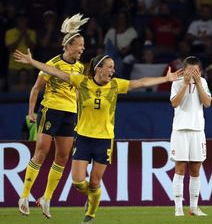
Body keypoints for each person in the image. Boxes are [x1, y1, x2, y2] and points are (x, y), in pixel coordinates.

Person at [14, 51, 182, 223]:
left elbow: (139, 82)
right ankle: (93, 196)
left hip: (104, 140)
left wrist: (166, 79)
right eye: (109, 67)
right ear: (98, 69)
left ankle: (90, 214)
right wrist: (32, 61)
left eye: (114, 67)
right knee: (78, 183)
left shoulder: (115, 85)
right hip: (83, 139)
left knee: (95, 182)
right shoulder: (82, 82)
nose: (112, 70)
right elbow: (55, 71)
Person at [17, 14, 88, 218]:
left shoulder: (80, 67)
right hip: (51, 109)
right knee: (41, 152)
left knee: (63, 157)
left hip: (69, 113)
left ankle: (46, 198)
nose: (82, 49)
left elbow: (76, 92)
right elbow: (36, 88)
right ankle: (24, 196)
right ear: (69, 47)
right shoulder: (53, 64)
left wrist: (79, 110)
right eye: (80, 45)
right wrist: (31, 112)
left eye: (83, 45)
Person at [170, 56, 212, 217]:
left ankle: (194, 208)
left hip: (197, 130)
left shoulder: (203, 82)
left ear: (200, 71)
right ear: (184, 70)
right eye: (190, 70)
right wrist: (186, 83)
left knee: (195, 170)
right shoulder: (177, 82)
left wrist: (199, 83)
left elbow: (207, 103)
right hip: (180, 130)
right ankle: (178, 208)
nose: (193, 73)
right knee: (180, 169)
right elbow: (175, 103)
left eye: (196, 71)